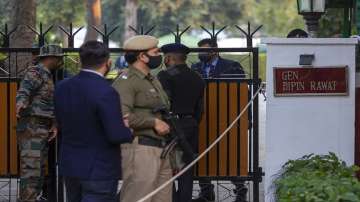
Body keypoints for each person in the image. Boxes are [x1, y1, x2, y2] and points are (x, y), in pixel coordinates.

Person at [54, 41, 133, 202]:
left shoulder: (62, 87)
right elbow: (116, 135)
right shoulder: (106, 91)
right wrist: (127, 129)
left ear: (81, 60)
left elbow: (62, 120)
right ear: (108, 62)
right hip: (99, 169)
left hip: (70, 165)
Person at [112, 35, 172, 202]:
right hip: (140, 148)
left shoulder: (152, 79)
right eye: (155, 52)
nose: (159, 55)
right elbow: (121, 115)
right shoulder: (127, 81)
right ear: (142, 56)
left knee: (163, 198)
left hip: (161, 147)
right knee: (138, 197)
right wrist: (152, 122)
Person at [191, 38, 248, 202]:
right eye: (199, 50)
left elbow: (243, 93)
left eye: (205, 50)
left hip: (227, 118)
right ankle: (206, 191)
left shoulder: (232, 66)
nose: (201, 53)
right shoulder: (195, 68)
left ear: (215, 50)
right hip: (202, 118)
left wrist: (247, 118)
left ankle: (240, 189)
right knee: (202, 154)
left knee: (230, 153)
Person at [16, 44, 64, 202]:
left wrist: (54, 123)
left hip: (41, 128)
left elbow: (49, 103)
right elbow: (24, 90)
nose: (60, 61)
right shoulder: (36, 72)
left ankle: (32, 198)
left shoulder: (49, 75)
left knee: (37, 171)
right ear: (51, 58)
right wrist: (20, 103)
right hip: (32, 127)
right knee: (31, 171)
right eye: (59, 58)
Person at [158, 43, 205, 202]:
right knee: (186, 169)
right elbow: (200, 108)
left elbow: (163, 104)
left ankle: (172, 199)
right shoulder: (197, 77)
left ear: (169, 58)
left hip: (169, 126)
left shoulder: (165, 76)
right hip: (191, 125)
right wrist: (191, 121)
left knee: (165, 168)